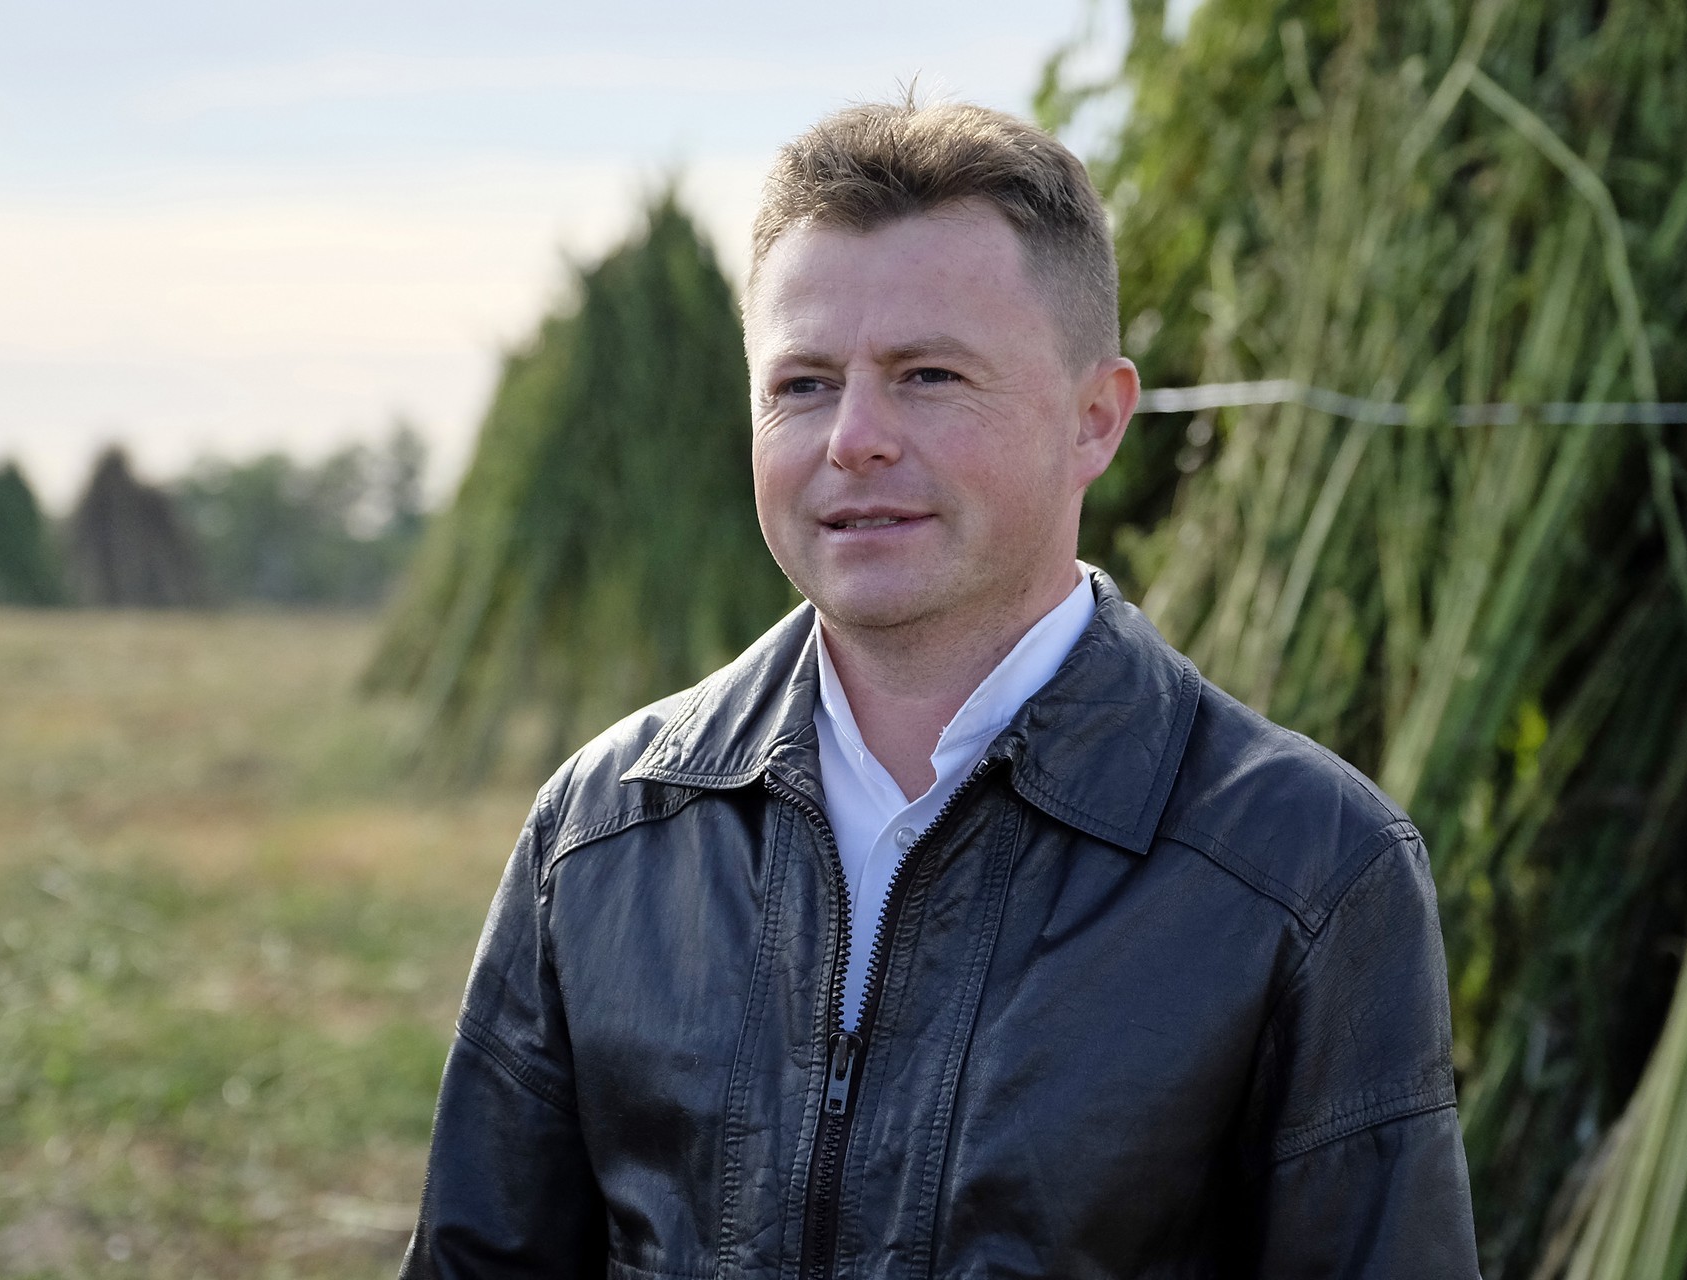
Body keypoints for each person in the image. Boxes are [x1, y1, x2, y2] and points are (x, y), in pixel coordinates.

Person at [401, 99, 1481, 1279]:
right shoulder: (603, 830)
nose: (853, 437)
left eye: (927, 374)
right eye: (803, 383)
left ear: (1096, 419)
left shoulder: (1308, 870)